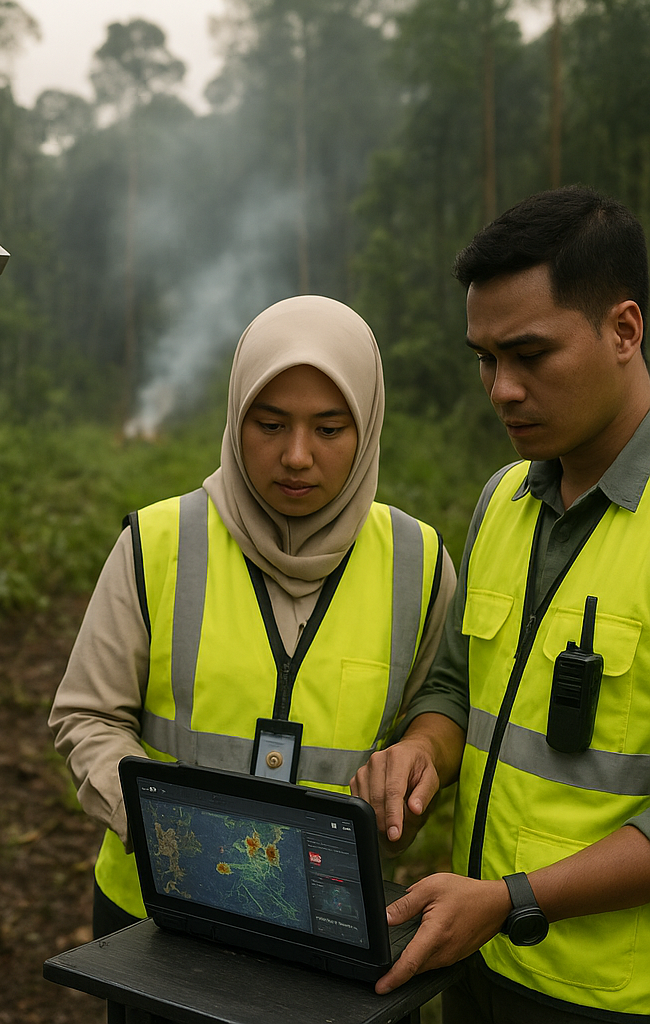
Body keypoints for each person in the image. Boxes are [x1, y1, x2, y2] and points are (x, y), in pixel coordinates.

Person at [49, 295, 457, 961]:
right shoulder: (158, 543)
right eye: (269, 425)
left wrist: (414, 775)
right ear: (235, 418)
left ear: (369, 427)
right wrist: (162, 832)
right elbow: (87, 715)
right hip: (155, 920)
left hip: (328, 922)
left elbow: (437, 717)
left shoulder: (419, 563)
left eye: (329, 429)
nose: (296, 456)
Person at [351, 185, 650, 1022]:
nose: (501, 390)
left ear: (624, 330)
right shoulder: (503, 500)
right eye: (485, 358)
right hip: (474, 967)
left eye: (529, 355)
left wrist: (513, 900)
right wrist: (424, 752)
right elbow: (457, 685)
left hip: (610, 998)